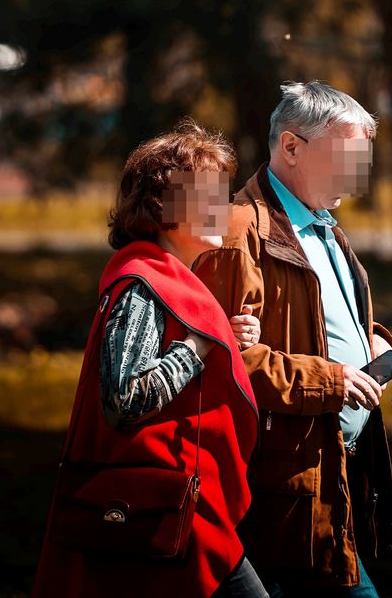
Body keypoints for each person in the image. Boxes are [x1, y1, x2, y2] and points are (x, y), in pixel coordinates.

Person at [32, 123, 267, 598]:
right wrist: (200, 346)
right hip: (159, 511)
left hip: (171, 506)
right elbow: (123, 398)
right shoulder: (142, 284)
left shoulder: (169, 282)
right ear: (162, 206)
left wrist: (221, 336)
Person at [194, 82, 392, 597]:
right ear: (291, 147)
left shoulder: (324, 224)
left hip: (331, 476)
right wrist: (333, 380)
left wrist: (375, 345)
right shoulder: (235, 229)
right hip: (280, 488)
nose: (355, 177)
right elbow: (223, 359)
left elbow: (326, 318)